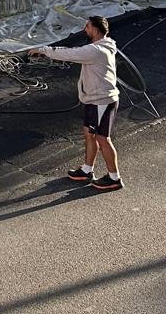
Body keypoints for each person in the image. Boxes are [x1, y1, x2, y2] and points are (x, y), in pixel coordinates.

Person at [33, 15, 123, 191]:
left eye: (87, 26)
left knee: (102, 138)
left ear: (95, 29)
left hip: (102, 101)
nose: (85, 29)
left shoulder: (96, 50)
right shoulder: (101, 47)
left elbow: (70, 54)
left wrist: (43, 50)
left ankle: (114, 178)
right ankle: (87, 170)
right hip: (94, 99)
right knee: (89, 133)